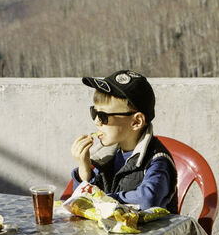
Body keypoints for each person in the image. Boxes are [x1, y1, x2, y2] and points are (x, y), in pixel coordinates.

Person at [70, 69, 178, 211]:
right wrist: (84, 172)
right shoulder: (106, 158)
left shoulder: (157, 161)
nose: (96, 121)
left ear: (136, 122)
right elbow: (81, 205)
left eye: (103, 116)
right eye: (94, 112)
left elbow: (147, 200)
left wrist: (101, 199)